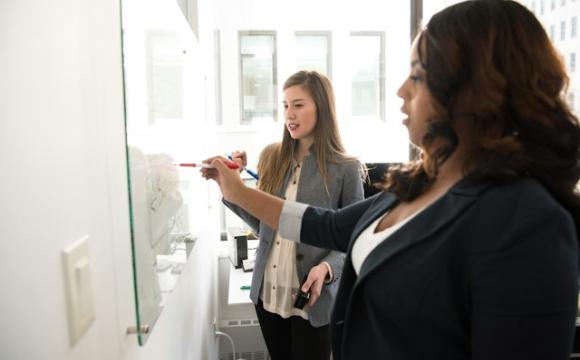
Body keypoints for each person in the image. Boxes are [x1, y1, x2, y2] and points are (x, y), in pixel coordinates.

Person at [204, 1, 580, 359]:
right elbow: (327, 225)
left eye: (417, 75)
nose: (401, 90)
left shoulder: (527, 224)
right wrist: (234, 190)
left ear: (475, 90)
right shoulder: (417, 184)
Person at [224, 70, 365, 360]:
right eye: (286, 105)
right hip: (268, 294)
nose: (289, 113)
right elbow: (265, 225)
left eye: (298, 105)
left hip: (313, 300)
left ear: (321, 108)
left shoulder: (346, 168)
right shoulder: (271, 156)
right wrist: (230, 185)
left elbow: (353, 239)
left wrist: (326, 269)